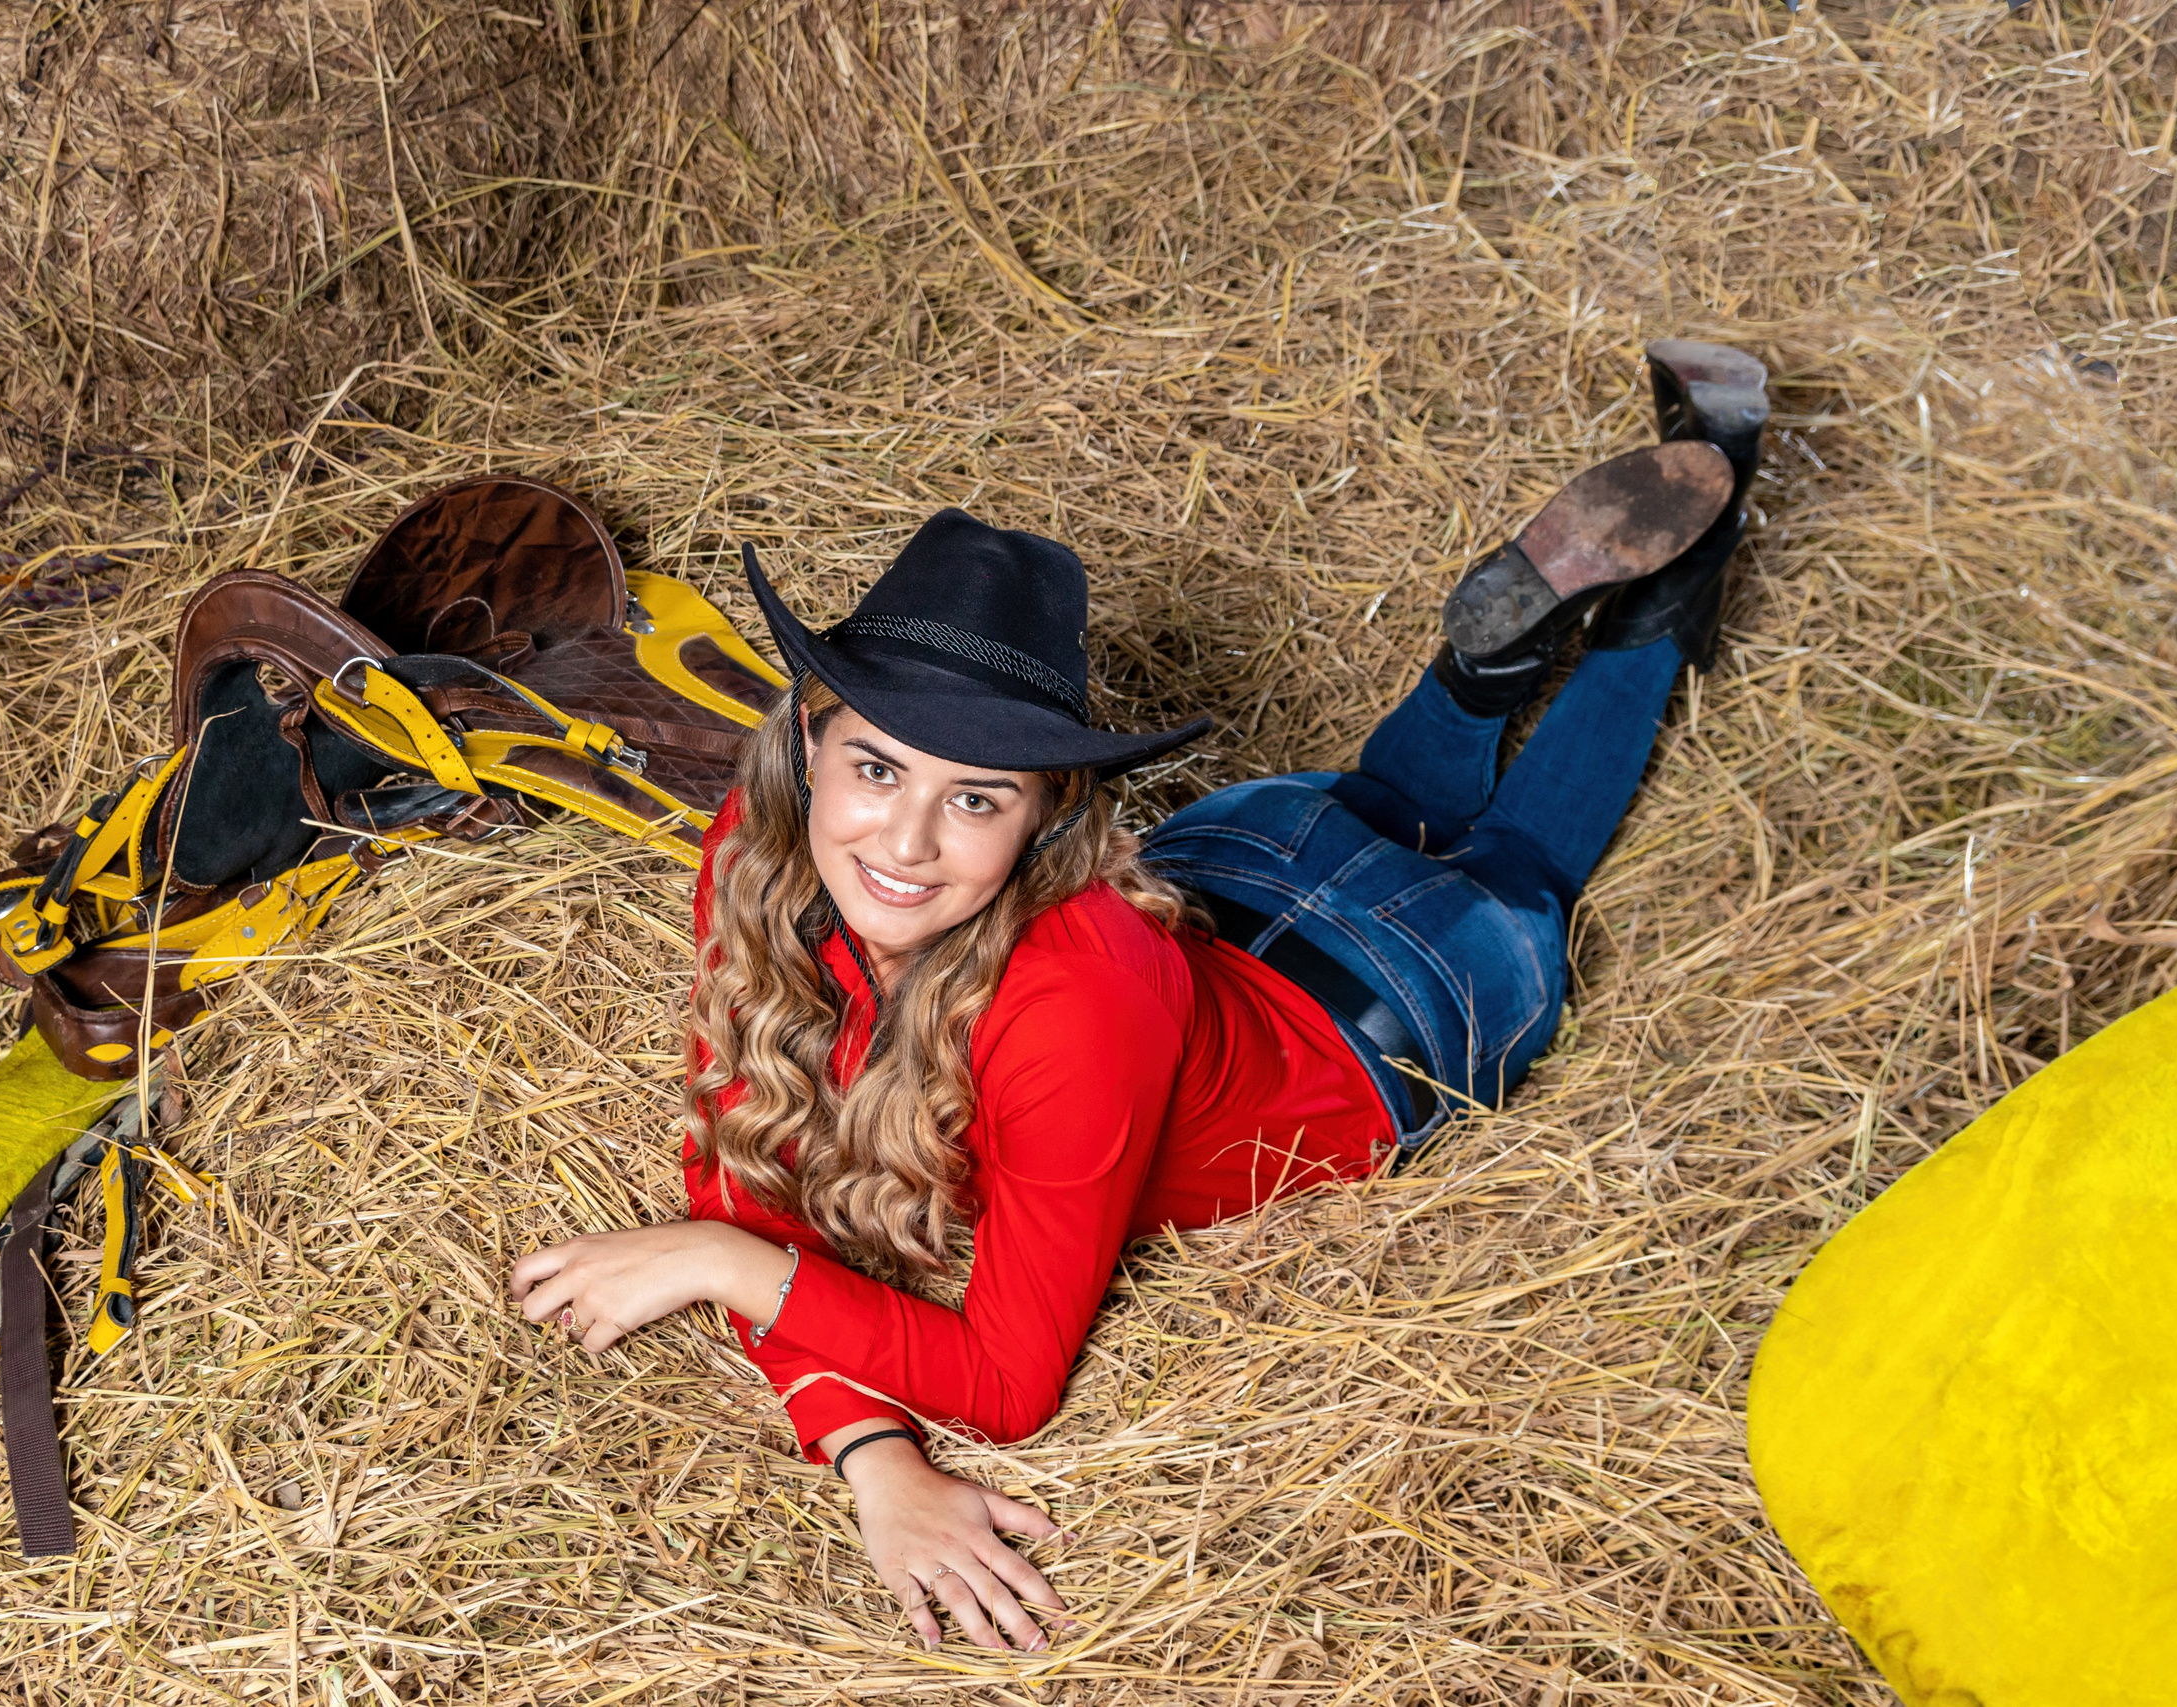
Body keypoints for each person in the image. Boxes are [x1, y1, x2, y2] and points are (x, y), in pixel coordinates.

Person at [509, 343, 1771, 1652]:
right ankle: (1501, 659)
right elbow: (742, 1139)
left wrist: (724, 1264)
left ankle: (1631, 615)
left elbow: (1005, 1381)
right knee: (1380, 808)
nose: (907, 843)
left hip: (1392, 1002)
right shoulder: (760, 846)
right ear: (807, 745)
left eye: (978, 796)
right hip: (1236, 862)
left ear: (1051, 810)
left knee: (1521, 863)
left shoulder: (1063, 1002)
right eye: (878, 769)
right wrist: (869, 1446)